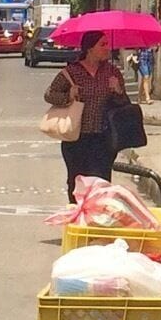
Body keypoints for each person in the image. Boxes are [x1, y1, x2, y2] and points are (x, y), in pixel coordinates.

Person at [47, 32, 128, 202]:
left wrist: (118, 90)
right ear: (90, 48)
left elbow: (123, 104)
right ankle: (77, 215)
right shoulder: (72, 71)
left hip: (103, 138)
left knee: (101, 182)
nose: (107, 48)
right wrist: (68, 95)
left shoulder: (112, 72)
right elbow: (49, 95)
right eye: (102, 44)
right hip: (77, 138)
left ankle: (97, 218)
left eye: (107, 44)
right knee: (76, 181)